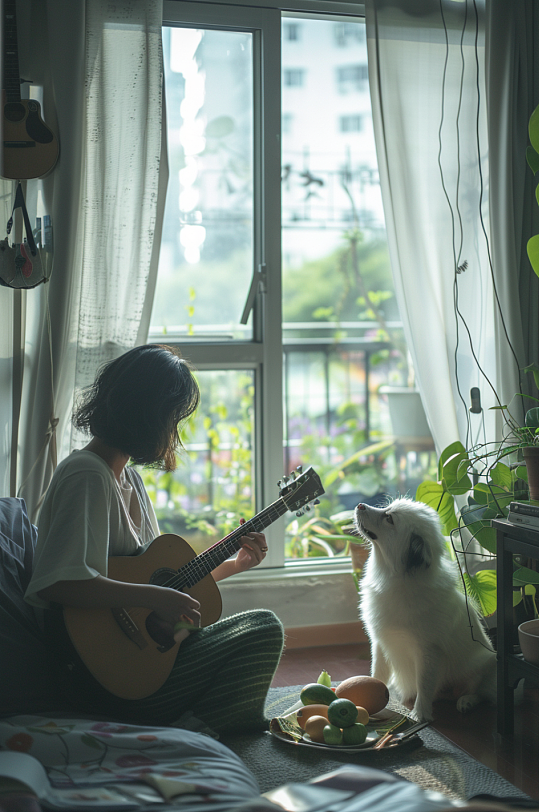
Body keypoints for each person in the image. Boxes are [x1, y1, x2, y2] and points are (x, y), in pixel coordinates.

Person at [25, 344, 284, 735]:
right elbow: (59, 584)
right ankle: (195, 731)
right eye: (172, 419)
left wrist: (235, 565)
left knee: (250, 630)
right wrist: (154, 597)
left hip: (140, 659)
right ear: (148, 415)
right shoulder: (86, 476)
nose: (174, 432)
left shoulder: (128, 479)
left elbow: (162, 586)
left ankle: (195, 724)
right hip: (97, 678)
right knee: (263, 628)